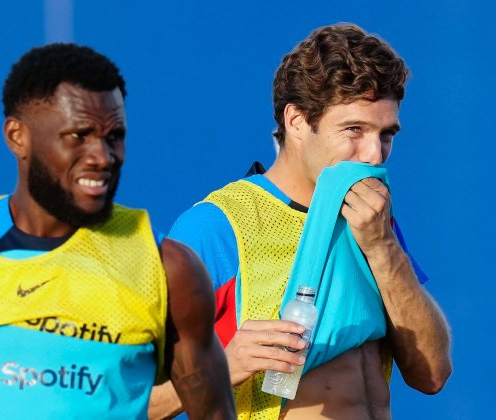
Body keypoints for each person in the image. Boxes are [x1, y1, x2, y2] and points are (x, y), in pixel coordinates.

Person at [0, 44, 235, 419]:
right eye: (78, 135)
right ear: (17, 137)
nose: (102, 157)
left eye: (114, 136)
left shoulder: (168, 271)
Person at [149, 24, 452, 419]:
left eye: (386, 134)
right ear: (296, 120)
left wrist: (382, 247)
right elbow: (130, 404)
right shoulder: (215, 227)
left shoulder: (373, 220)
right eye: (354, 130)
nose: (374, 155)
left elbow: (432, 374)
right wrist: (223, 367)